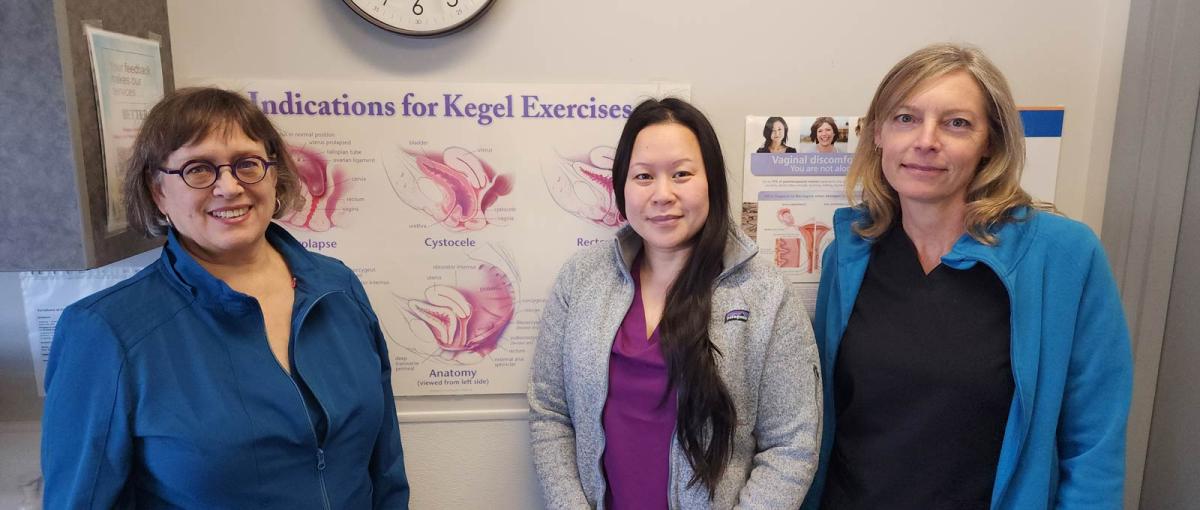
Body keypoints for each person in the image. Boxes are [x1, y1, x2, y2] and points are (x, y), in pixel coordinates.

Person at [41, 87, 410, 509]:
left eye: (247, 164)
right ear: (157, 190)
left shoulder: (338, 289)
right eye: (198, 169)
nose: (229, 187)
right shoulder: (106, 332)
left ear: (273, 174)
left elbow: (385, 465)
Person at [803, 43, 1132, 510]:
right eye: (905, 118)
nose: (926, 141)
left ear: (990, 142)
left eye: (957, 123)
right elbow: (828, 419)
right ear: (877, 133)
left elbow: (1094, 441)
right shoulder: (850, 253)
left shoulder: (1063, 256)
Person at [529, 98, 821, 509]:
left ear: (711, 182)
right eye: (644, 176)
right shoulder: (581, 280)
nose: (662, 194)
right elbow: (550, 413)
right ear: (622, 187)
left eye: (681, 174)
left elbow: (791, 445)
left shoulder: (765, 293)